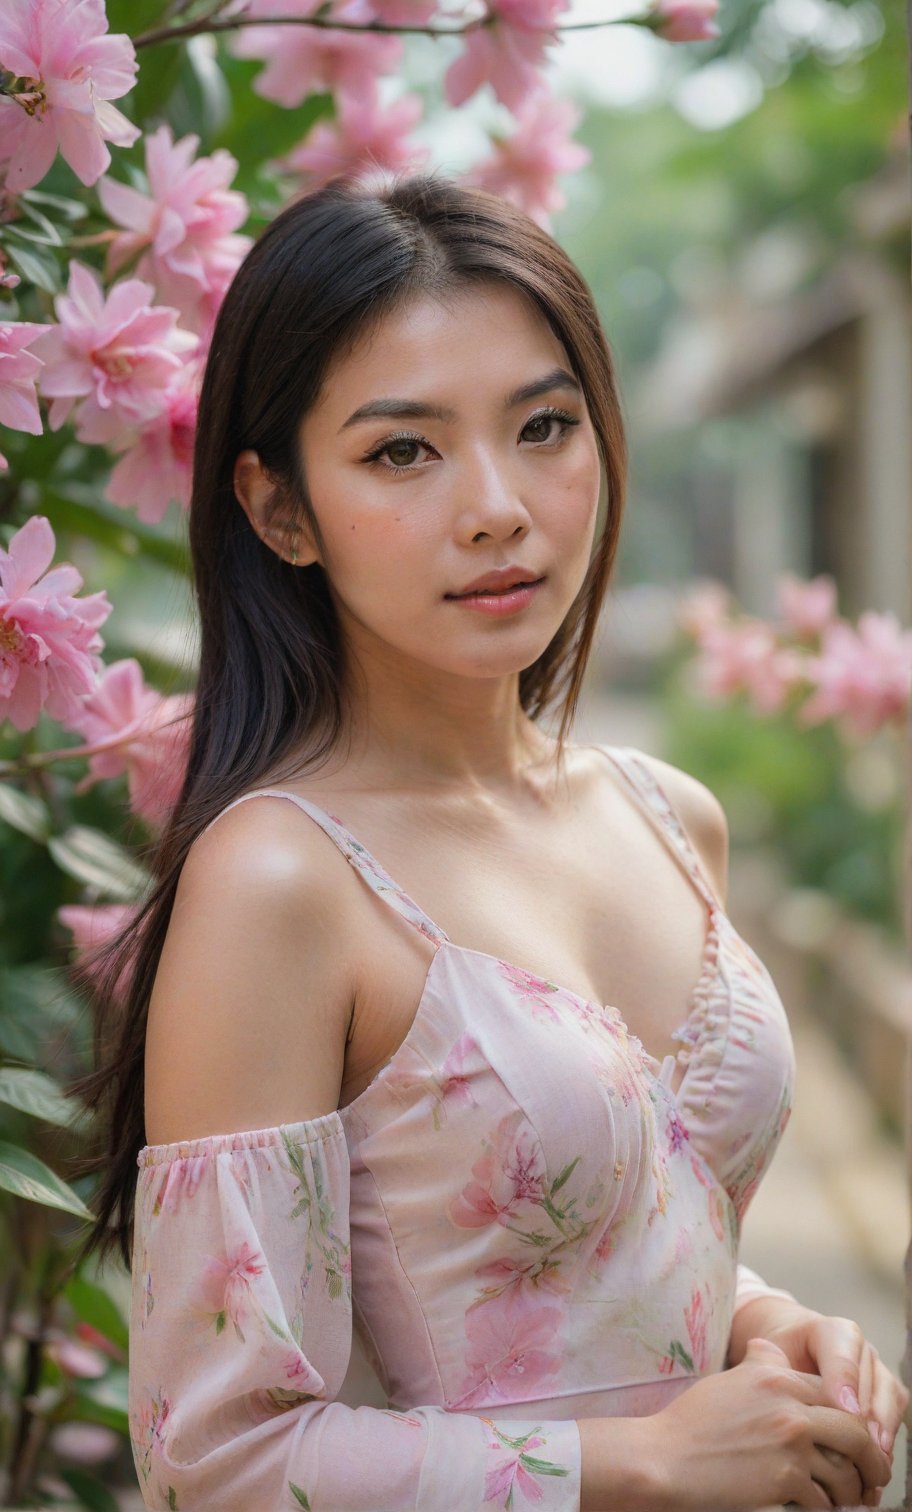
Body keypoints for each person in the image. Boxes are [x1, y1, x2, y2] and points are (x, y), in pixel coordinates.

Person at [69, 172, 906, 1512]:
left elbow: (606, 1258)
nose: (498, 506)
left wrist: (768, 1325)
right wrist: (644, 1465)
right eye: (404, 450)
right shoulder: (284, 882)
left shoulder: (669, 818)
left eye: (544, 427)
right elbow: (214, 1460)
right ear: (281, 510)